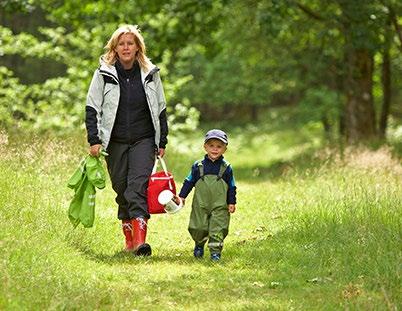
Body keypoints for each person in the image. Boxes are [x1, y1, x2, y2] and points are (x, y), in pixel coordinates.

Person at [85, 24, 168, 256]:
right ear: (115, 47)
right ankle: (129, 241)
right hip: (114, 142)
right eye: (121, 43)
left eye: (130, 43)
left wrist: (162, 141)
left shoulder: (150, 73)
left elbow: (160, 108)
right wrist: (94, 139)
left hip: (143, 139)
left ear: (137, 47)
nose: (125, 47)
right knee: (121, 189)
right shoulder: (103, 73)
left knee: (137, 188)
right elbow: (92, 107)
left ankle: (141, 244)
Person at [177, 129, 236, 261]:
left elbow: (232, 186)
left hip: (220, 205)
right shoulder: (198, 166)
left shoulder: (226, 168)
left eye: (219, 146)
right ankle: (199, 244)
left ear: (225, 149)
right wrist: (182, 196)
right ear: (205, 147)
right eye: (211, 146)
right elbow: (189, 182)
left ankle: (215, 252)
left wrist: (232, 202)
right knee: (198, 226)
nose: (215, 149)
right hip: (200, 204)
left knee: (218, 228)